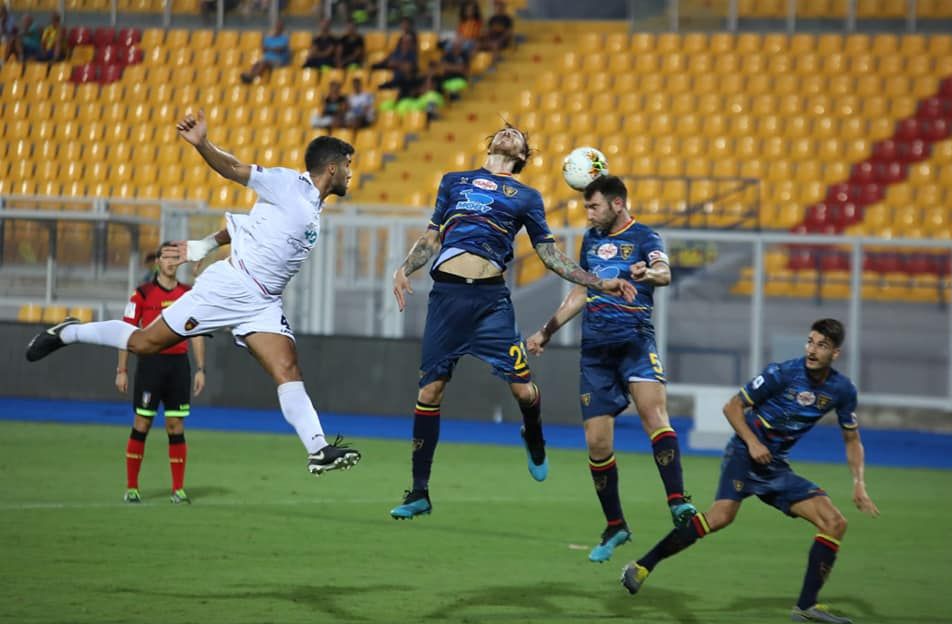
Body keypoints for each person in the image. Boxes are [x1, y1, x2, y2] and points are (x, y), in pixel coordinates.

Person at [25, 110, 361, 477]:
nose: (350, 172)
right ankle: (70, 331)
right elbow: (234, 169)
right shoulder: (287, 184)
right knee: (144, 343)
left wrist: (205, 244)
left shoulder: (311, 207)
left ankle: (318, 448)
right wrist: (202, 143)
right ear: (331, 168)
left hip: (263, 302)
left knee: (288, 368)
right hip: (232, 287)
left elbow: (250, 226)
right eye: (347, 165)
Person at [388, 126, 638, 520]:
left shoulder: (526, 196)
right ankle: (419, 491)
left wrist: (595, 281)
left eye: (516, 134)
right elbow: (432, 236)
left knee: (523, 393)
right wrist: (405, 268)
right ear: (490, 143)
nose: (508, 133)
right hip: (447, 300)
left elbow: (549, 254)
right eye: (503, 131)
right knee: (431, 391)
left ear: (522, 154)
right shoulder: (453, 181)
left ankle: (534, 435)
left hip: (490, 304)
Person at [620, 318, 880, 624]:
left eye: (821, 345)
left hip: (774, 464)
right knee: (720, 517)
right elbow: (732, 407)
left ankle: (806, 606)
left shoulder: (842, 390)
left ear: (835, 353)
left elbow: (852, 439)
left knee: (835, 523)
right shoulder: (782, 373)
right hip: (745, 453)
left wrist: (859, 483)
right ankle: (641, 566)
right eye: (810, 341)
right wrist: (753, 442)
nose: (812, 350)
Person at [526, 175, 698, 563]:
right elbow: (581, 291)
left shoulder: (646, 238)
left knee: (654, 413)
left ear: (617, 204)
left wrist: (644, 274)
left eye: (593, 206)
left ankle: (677, 501)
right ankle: (616, 524)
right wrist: (546, 331)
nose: (588, 214)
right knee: (598, 444)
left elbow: (665, 273)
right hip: (596, 353)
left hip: (635, 343)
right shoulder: (591, 241)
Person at [116, 242, 207, 505]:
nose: (169, 262)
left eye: (174, 257)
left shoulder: (188, 294)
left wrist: (201, 368)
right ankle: (132, 488)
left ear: (179, 262)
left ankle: (178, 489)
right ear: (157, 261)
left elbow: (197, 333)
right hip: (150, 364)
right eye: (165, 257)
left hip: (178, 366)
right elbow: (126, 333)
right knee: (142, 423)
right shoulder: (141, 294)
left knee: (175, 425)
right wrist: (122, 369)